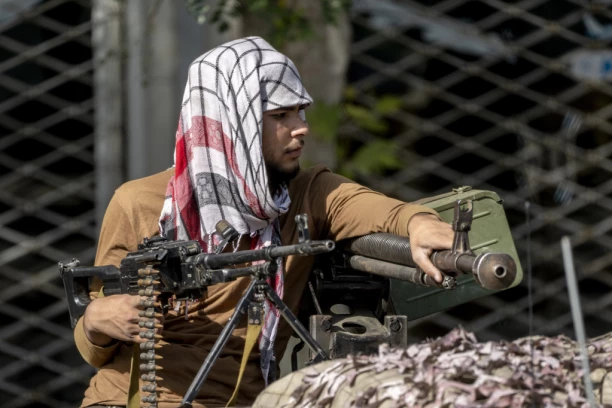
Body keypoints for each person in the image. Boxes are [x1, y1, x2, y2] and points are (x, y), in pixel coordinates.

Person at [75, 36, 453, 408]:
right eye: (280, 116)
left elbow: (381, 210)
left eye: (299, 112)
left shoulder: (307, 194)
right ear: (232, 121)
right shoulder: (139, 202)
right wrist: (97, 321)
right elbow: (95, 346)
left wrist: (419, 223)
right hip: (130, 397)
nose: (301, 127)